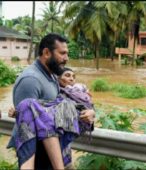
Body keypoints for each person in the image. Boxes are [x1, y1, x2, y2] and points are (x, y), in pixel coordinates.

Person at [7, 33, 95, 169]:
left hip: (55, 149)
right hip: (39, 154)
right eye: (62, 53)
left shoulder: (52, 75)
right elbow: (26, 125)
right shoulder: (31, 80)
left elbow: (59, 109)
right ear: (47, 53)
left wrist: (88, 112)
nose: (67, 58)